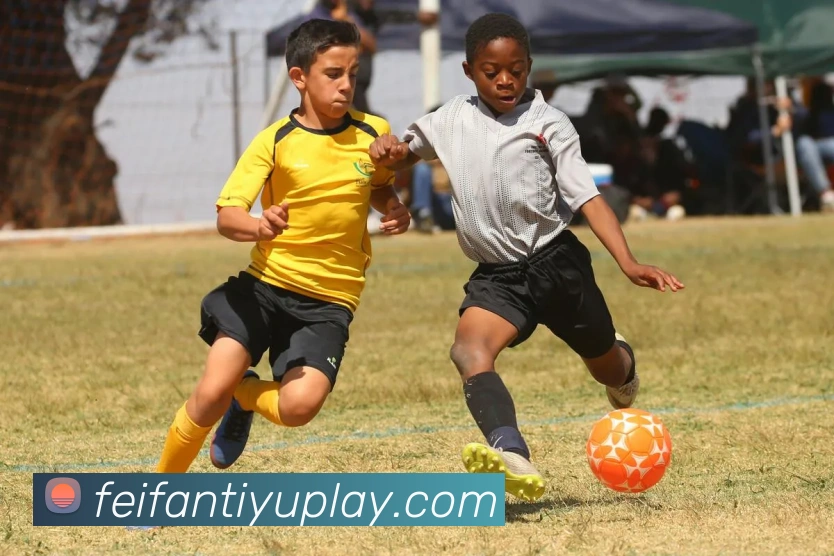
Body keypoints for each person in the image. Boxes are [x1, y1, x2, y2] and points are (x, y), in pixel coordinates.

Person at [369, 13, 683, 502]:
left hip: (556, 265)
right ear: (471, 71)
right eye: (492, 71)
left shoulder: (549, 124)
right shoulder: (449, 118)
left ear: (529, 66)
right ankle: (510, 451)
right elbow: (405, 153)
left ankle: (623, 362)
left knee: (609, 371)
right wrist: (390, 149)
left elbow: (589, 199)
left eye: (516, 69)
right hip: (498, 277)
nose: (505, 80)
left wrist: (629, 262)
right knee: (468, 351)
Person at [156, 19, 410, 474]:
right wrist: (259, 226)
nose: (347, 84)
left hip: (331, 301)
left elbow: (378, 185)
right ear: (300, 78)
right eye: (333, 74)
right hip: (264, 288)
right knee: (209, 391)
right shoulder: (274, 141)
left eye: (353, 72)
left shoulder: (374, 132)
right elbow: (227, 216)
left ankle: (245, 397)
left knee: (298, 407)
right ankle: (156, 495)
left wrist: (394, 205)